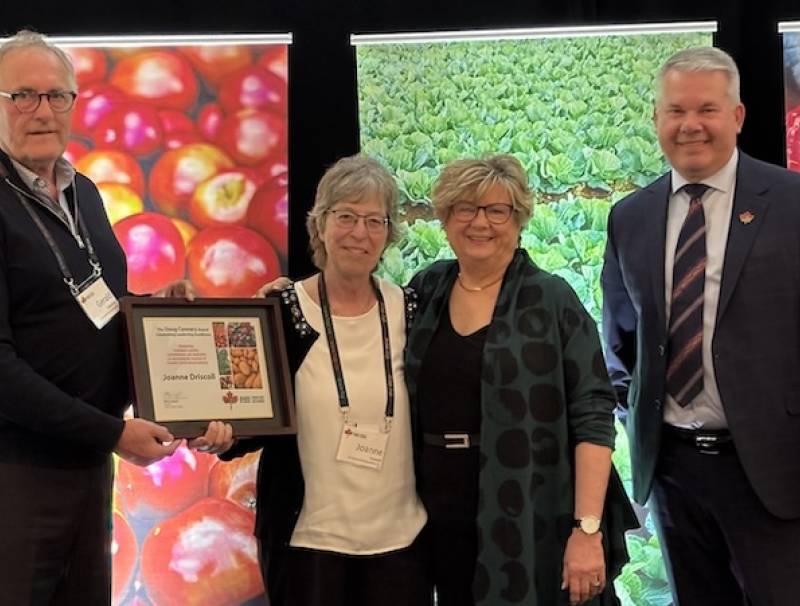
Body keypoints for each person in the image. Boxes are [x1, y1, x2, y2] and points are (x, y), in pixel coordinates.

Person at [0, 30, 232, 605]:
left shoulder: (87, 194)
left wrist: (168, 329)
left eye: (57, 96)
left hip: (87, 468)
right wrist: (114, 432)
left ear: (75, 104)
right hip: (18, 473)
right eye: (22, 95)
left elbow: (98, 313)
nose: (42, 111)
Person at [601, 46, 800, 605]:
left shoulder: (791, 203)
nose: (691, 125)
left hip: (771, 471)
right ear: (657, 120)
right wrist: (642, 422)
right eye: (676, 110)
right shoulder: (630, 217)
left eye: (707, 110)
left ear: (736, 117)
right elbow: (621, 344)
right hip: (674, 472)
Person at [407, 155, 637, 606]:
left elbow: (593, 414)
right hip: (437, 510)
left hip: (533, 512)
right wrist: (289, 298)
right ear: (445, 217)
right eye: (465, 209)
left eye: (497, 210)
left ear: (519, 219)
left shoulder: (552, 298)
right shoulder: (426, 288)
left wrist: (587, 530)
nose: (480, 223)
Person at [223, 155, 428, 606]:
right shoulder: (281, 311)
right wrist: (220, 433)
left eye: (375, 220)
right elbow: (245, 420)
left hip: (401, 544)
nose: (360, 233)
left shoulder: (412, 311)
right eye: (347, 217)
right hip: (307, 545)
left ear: (389, 232)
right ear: (320, 225)